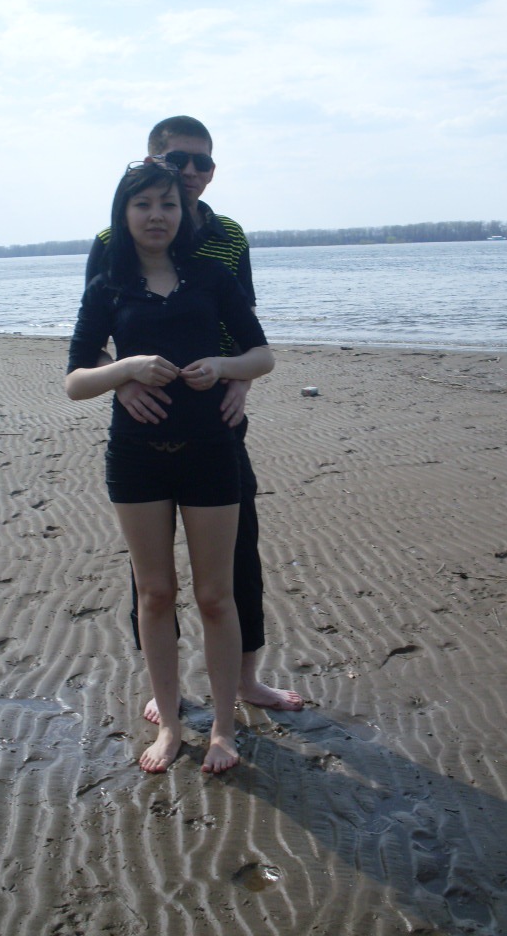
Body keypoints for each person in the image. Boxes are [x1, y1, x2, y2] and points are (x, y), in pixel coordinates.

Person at [85, 116, 303, 721]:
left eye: (201, 162)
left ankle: (246, 679)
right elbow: (94, 339)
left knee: (237, 554)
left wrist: (241, 382)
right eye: (177, 159)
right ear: (150, 162)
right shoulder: (114, 238)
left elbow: (246, 326)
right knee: (151, 574)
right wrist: (121, 381)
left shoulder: (226, 236)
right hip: (146, 419)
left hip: (218, 417)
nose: (190, 172)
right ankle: (168, 690)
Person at [66, 161, 275, 774]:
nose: (156, 215)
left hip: (211, 452)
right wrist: (126, 369)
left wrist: (224, 367)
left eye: (167, 204)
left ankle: (224, 730)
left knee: (216, 596)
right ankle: (171, 726)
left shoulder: (211, 276)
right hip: (136, 460)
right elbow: (76, 380)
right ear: (123, 214)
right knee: (155, 594)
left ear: (183, 214)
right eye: (143, 205)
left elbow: (262, 355)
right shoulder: (107, 286)